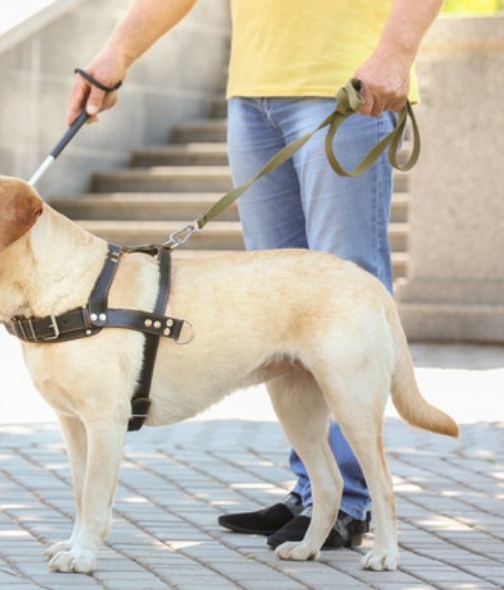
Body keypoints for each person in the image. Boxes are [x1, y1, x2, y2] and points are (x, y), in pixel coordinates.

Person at [66, 0, 442, 549]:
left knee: (343, 297)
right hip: (253, 96)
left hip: (350, 85)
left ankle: (352, 503)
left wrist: (396, 50)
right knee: (275, 316)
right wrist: (114, 54)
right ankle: (315, 491)